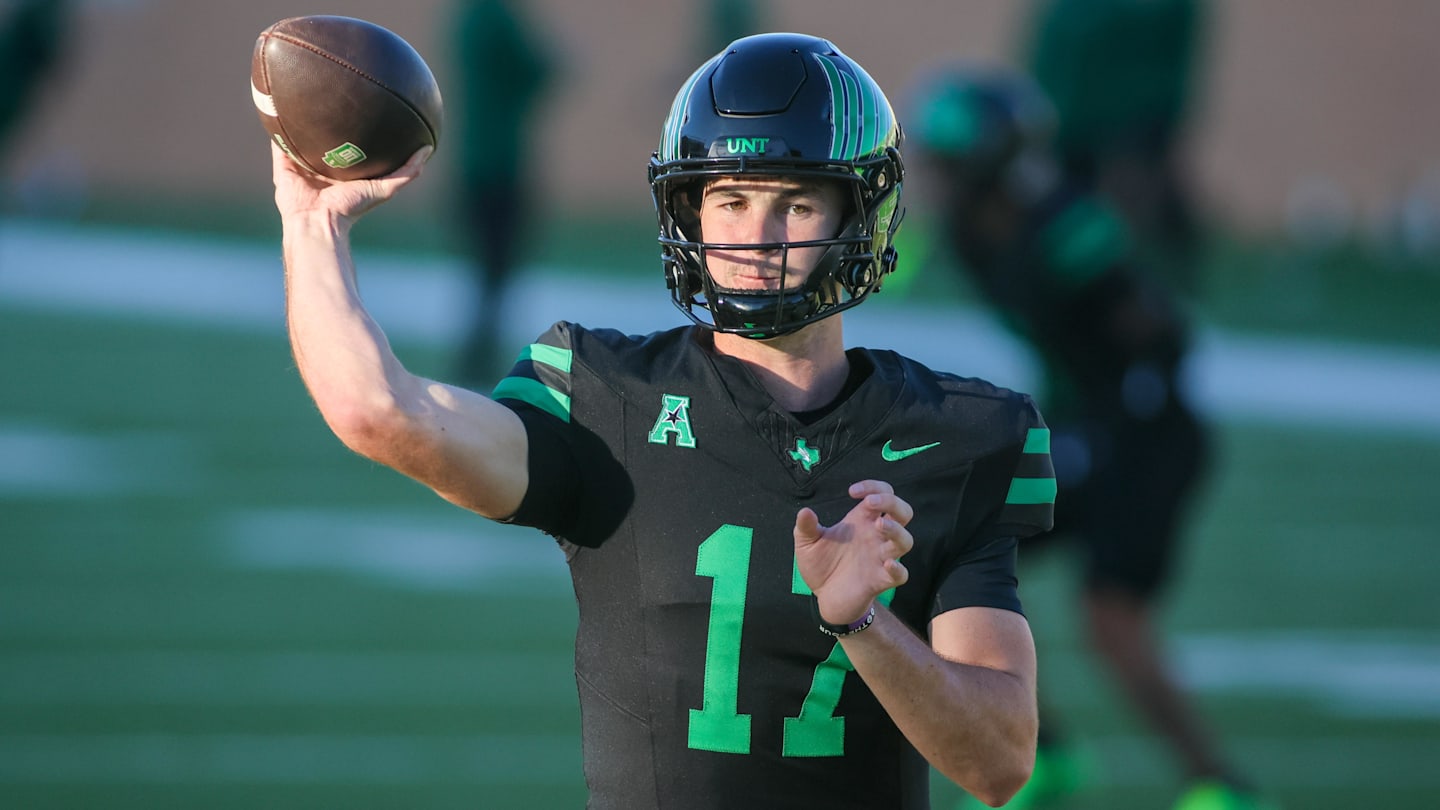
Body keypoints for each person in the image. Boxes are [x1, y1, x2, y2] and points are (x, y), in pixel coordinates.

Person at [272, 32, 1056, 809]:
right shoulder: (602, 398)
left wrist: (864, 624)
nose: (756, 239)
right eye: (730, 201)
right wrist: (312, 226)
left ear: (860, 215)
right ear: (689, 212)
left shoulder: (958, 434)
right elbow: (379, 411)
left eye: (795, 203)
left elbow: (999, 765)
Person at [905, 64, 1273, 810]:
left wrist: (1105, 418)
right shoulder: (973, 234)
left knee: (1112, 620)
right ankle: (1047, 754)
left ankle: (1222, 787)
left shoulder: (1065, 227)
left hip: (1145, 434)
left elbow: (1160, 335)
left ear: (981, 165)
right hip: (1083, 427)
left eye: (946, 162)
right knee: (940, 559)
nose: (935, 178)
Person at [1021, 0, 1209, 292]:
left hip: (1131, 127)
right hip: (1071, 126)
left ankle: (1152, 290)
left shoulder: (1157, 10)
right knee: (1061, 226)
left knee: (1130, 224)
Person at [447, 0, 555, 388]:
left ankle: (476, 360)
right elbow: (535, 71)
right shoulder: (495, 16)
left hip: (474, 164)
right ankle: (476, 362)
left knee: (486, 273)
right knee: (495, 272)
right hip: (500, 166)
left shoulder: (470, 15)